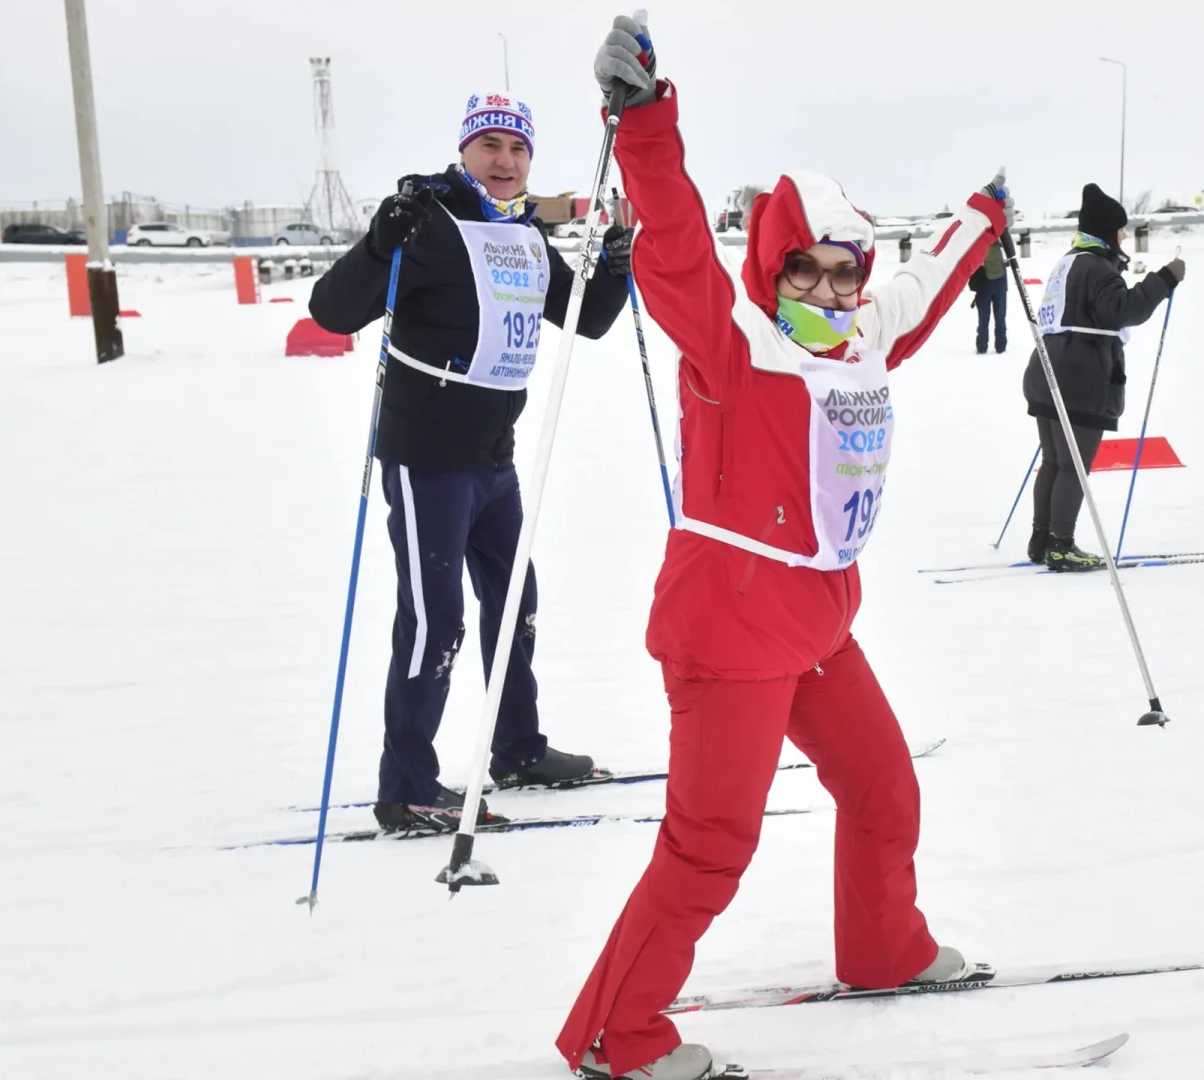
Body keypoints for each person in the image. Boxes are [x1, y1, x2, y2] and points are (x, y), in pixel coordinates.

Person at [556, 17, 1012, 1080]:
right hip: (729, 625)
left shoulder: (861, 337)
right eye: (804, 274)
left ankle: (885, 949)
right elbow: (670, 241)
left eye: (843, 273)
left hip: (815, 622)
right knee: (711, 842)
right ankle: (616, 1037)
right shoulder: (732, 343)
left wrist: (986, 214)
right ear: (773, 269)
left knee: (885, 789)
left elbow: (927, 286)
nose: (830, 293)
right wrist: (641, 120)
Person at [308, 89, 633, 835]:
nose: (505, 161)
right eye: (490, 145)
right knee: (436, 619)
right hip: (429, 458)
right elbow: (332, 311)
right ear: (464, 151)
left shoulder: (518, 233)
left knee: (514, 600)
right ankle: (408, 788)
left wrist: (616, 266)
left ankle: (516, 748)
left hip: (495, 457)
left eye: (518, 149)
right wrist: (379, 244)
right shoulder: (427, 221)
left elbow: (584, 320)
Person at [1021, 184, 1182, 571]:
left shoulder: (1071, 260)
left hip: (1048, 370)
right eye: (1121, 230)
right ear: (1108, 231)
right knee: (1072, 465)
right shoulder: (1096, 266)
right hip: (1080, 378)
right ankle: (1061, 545)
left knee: (1057, 462)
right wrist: (1165, 279)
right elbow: (1121, 311)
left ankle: (1042, 538)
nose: (1124, 237)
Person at [968, 239, 1008, 354]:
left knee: (983, 319)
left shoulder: (977, 241)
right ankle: (1001, 347)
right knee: (1000, 317)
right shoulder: (999, 238)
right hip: (1000, 281)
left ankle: (981, 347)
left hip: (984, 283)